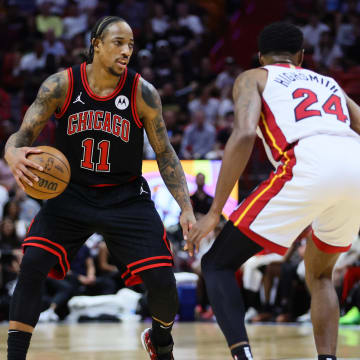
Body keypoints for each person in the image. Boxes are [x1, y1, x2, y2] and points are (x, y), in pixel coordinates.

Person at [4, 16, 195, 360]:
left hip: (125, 198)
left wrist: (187, 208)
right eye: (118, 43)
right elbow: (22, 136)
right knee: (32, 264)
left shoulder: (142, 93)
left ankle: (161, 342)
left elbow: (165, 153)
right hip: (71, 195)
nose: (127, 51)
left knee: (164, 282)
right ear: (96, 44)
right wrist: (12, 152)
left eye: (131, 45)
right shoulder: (61, 85)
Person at [188, 22, 360, 360]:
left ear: (260, 56)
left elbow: (244, 134)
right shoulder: (330, 83)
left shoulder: (253, 77)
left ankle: (243, 356)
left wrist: (213, 212)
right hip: (355, 161)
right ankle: (328, 358)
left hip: (308, 160)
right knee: (321, 273)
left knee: (217, 264)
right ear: (301, 56)